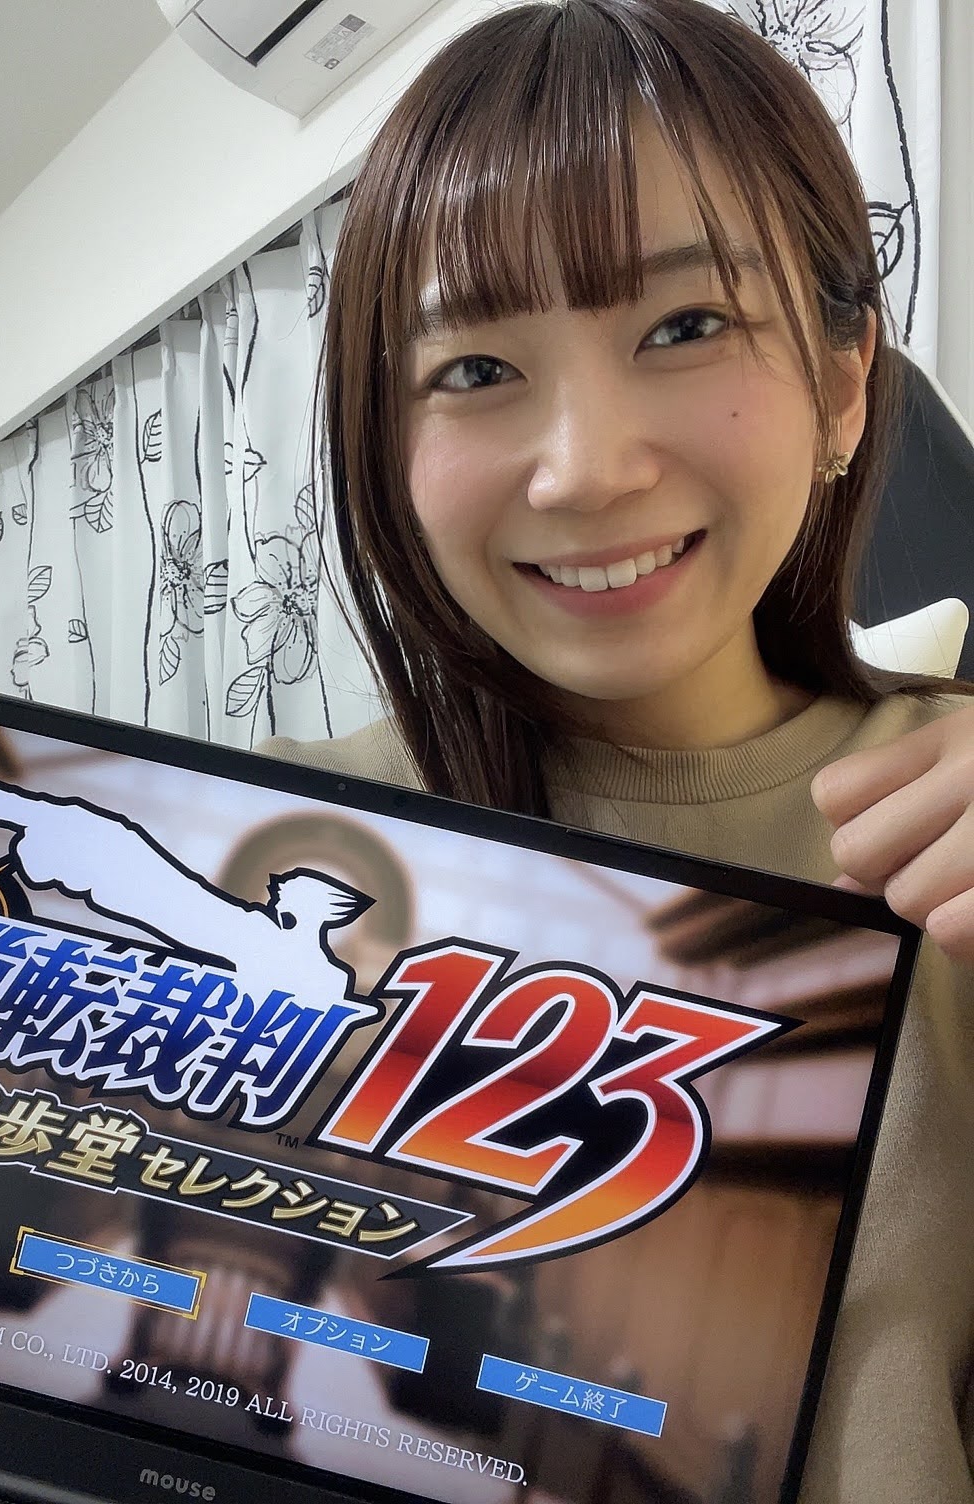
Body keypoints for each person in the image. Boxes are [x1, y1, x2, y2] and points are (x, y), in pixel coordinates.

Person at [254, 1, 974, 1500]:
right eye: (473, 369)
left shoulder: (949, 823)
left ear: (847, 382)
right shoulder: (276, 841)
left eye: (686, 326)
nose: (586, 471)